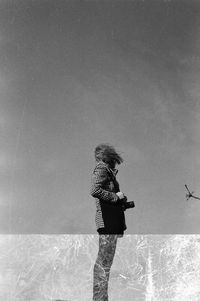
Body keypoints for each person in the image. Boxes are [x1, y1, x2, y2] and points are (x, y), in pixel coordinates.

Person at [90, 144, 129, 301]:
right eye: (113, 159)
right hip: (107, 221)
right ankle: (100, 298)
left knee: (106, 260)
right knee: (104, 260)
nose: (115, 162)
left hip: (111, 219)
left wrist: (122, 202)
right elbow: (94, 190)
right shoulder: (101, 168)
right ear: (108, 157)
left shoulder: (107, 171)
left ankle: (101, 297)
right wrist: (115, 197)